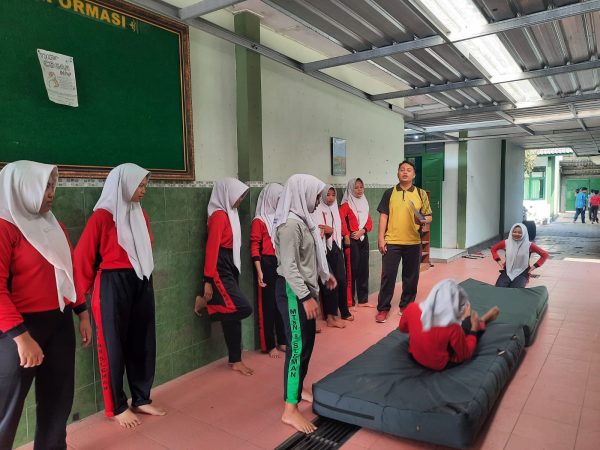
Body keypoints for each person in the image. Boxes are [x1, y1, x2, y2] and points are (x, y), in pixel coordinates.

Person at [0, 161, 92, 449]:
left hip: (59, 322)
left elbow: (68, 271)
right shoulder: (4, 227)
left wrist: (82, 312)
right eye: (44, 186)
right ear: (22, 188)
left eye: (53, 186)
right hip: (19, 330)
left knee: (58, 398)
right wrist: (21, 337)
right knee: (7, 406)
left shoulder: (54, 225)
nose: (51, 193)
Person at [75, 163, 164, 428]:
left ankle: (141, 397)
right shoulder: (102, 217)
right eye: (139, 185)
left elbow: (147, 246)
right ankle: (116, 406)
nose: (143, 190)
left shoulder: (140, 214)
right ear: (123, 185)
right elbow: (82, 258)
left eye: (145, 185)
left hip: (141, 280)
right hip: (112, 284)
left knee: (143, 341)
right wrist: (85, 296)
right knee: (112, 345)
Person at [273, 174, 337, 434]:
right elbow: (289, 267)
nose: (318, 201)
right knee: (298, 347)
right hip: (293, 293)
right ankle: (289, 409)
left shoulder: (303, 220)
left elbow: (308, 258)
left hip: (303, 291)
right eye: (317, 196)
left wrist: (324, 275)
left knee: (307, 344)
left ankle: (296, 390)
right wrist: (305, 297)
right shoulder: (290, 225)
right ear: (303, 193)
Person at [194, 178, 254, 375]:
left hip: (231, 264)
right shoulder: (219, 216)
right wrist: (208, 280)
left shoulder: (231, 214)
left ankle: (235, 360)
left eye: (243, 196)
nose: (240, 200)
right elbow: (211, 249)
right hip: (220, 266)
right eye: (238, 196)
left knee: (232, 317)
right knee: (242, 308)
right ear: (227, 194)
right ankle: (206, 303)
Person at [375, 161, 432, 323]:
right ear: (398, 173)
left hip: (413, 242)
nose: (405, 172)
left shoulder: (421, 193)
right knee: (388, 276)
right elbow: (383, 216)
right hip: (392, 241)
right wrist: (381, 239)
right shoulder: (389, 193)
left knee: (411, 277)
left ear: (414, 174)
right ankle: (383, 308)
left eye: (408, 170)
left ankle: (406, 305)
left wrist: (422, 219)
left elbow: (429, 216)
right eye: (402, 170)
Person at [399, 279, 499, 371]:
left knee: (459, 329)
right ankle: (478, 321)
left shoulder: (412, 308)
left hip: (414, 357)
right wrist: (473, 331)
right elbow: (465, 353)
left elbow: (403, 328)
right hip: (438, 364)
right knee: (467, 330)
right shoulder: (452, 327)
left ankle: (469, 318)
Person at [250, 183, 286, 358]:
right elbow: (254, 246)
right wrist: (259, 271)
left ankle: (282, 340)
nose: (280, 203)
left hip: (280, 262)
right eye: (278, 199)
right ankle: (269, 344)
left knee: (281, 302)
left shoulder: (280, 218)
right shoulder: (259, 220)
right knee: (268, 305)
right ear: (270, 199)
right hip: (266, 264)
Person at [313, 185, 353, 327]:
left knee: (341, 280)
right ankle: (330, 316)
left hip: (336, 245)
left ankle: (343, 311)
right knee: (330, 282)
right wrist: (328, 232)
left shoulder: (335, 208)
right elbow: (318, 230)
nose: (330, 198)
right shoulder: (317, 209)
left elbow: (337, 227)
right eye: (327, 195)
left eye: (333, 195)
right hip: (323, 249)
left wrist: (333, 233)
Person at [339, 178, 373, 308]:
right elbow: (340, 220)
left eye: (361, 187)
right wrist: (346, 235)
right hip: (352, 240)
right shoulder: (346, 205)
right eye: (356, 187)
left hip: (363, 238)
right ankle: (350, 301)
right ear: (351, 189)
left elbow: (369, 221)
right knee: (352, 270)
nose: (359, 190)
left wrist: (362, 231)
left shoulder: (364, 202)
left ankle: (363, 300)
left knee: (364, 269)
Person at [491, 223, 549, 288]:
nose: (516, 234)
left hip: (522, 272)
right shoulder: (506, 243)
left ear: (524, 233)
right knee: (499, 287)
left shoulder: (529, 245)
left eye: (520, 232)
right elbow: (493, 249)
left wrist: (533, 267)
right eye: (514, 232)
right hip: (508, 270)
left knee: (516, 290)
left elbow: (545, 254)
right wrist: (499, 262)